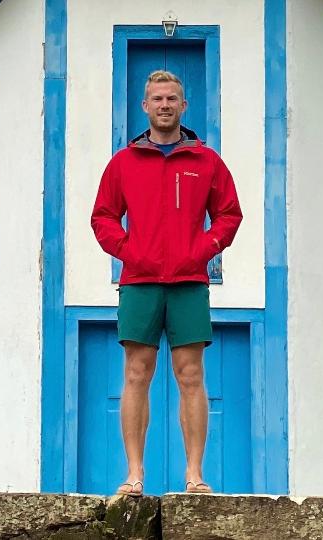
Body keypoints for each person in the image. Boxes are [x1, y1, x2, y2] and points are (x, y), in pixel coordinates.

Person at [90, 70, 243, 496]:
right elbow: (102, 216)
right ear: (145, 106)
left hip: (189, 280)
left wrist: (204, 248)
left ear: (183, 105)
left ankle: (195, 477)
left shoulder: (207, 161)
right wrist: (128, 250)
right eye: (156, 98)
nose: (164, 105)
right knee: (136, 373)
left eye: (172, 98)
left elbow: (230, 214)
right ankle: (134, 475)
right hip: (139, 280)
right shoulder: (122, 163)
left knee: (191, 374)